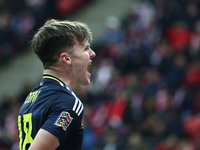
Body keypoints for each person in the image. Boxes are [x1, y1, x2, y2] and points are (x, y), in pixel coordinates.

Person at [18, 19, 96, 150]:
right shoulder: (68, 103)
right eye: (86, 48)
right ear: (66, 58)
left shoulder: (32, 97)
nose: (93, 54)